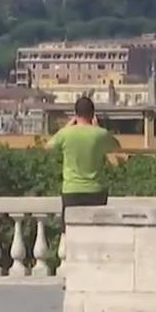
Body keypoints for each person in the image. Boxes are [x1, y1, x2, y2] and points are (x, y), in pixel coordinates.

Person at [46, 97, 120, 226]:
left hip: (72, 190)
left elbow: (48, 146)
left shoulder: (65, 134)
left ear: (75, 114)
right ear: (93, 114)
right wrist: (98, 127)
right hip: (96, 191)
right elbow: (116, 146)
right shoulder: (100, 134)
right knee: (95, 231)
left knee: (70, 230)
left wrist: (67, 126)